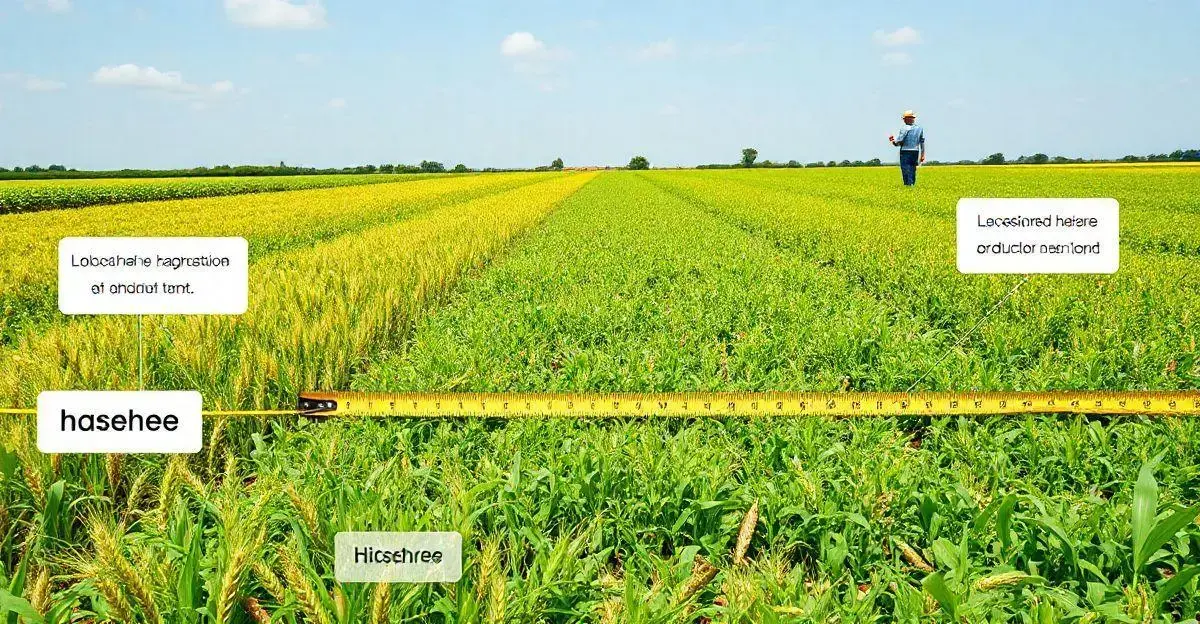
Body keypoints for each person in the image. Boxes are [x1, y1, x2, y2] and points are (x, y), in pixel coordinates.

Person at [889, 110, 926, 186]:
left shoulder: (904, 128)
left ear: (907, 119)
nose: (903, 120)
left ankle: (908, 185)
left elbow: (899, 141)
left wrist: (893, 141)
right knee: (913, 169)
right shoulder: (919, 129)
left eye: (904, 118)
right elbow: (922, 142)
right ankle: (912, 184)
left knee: (905, 169)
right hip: (915, 151)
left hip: (905, 151)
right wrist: (922, 155)